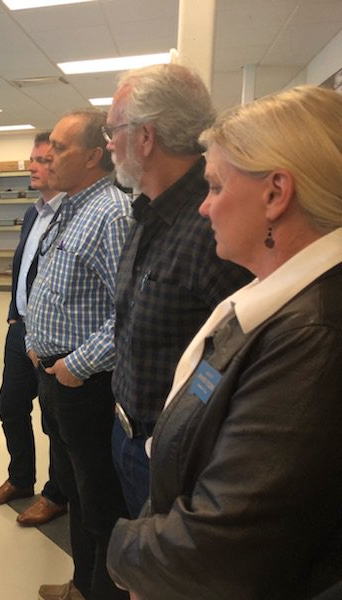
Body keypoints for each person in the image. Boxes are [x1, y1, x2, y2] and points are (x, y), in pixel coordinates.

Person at [107, 85, 342, 599]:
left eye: (214, 187)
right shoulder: (280, 304)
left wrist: (124, 553)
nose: (203, 208)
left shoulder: (312, 338)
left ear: (275, 194)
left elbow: (222, 542)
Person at [105, 63, 252, 518]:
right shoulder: (146, 211)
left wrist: (176, 445)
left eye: (113, 131)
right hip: (127, 430)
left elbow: (238, 362)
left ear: (145, 137)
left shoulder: (214, 225)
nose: (108, 143)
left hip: (173, 455)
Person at [26, 109, 132, 600]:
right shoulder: (70, 208)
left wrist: (75, 366)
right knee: (74, 491)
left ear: (93, 156)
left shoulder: (111, 214)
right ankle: (81, 586)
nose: (47, 156)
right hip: (55, 376)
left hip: (85, 382)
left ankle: (102, 592)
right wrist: (34, 342)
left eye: (60, 147)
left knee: (99, 502)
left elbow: (128, 314)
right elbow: (52, 286)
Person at [0, 132, 69, 527]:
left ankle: (57, 494)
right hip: (20, 329)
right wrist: (14, 315)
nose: (32, 166)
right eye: (32, 158)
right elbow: (25, 268)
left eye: (42, 160)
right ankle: (20, 479)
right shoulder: (34, 213)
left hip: (53, 336)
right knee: (10, 405)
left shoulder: (72, 215)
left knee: (54, 420)